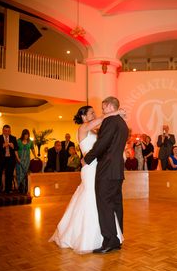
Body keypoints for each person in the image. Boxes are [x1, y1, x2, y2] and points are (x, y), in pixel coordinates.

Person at [49, 103, 125, 254]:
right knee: (93, 199)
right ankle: (92, 237)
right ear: (83, 116)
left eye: (94, 113)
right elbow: (103, 118)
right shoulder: (82, 128)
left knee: (101, 201)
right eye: (91, 113)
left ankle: (107, 237)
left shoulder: (95, 131)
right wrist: (116, 112)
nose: (94, 115)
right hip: (90, 169)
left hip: (100, 168)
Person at [83, 96, 129, 254]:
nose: (102, 111)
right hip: (117, 170)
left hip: (107, 170)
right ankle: (118, 238)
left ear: (110, 106)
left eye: (103, 108)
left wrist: (86, 159)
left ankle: (110, 241)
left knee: (104, 205)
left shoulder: (110, 122)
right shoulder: (122, 123)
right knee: (116, 205)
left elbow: (101, 144)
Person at [0, 124, 19, 195]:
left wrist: (13, 146)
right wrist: (3, 145)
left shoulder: (13, 138)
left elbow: (16, 148)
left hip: (10, 160)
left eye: (8, 131)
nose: (7, 132)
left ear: (10, 131)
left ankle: (8, 190)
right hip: (1, 159)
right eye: (5, 131)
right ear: (3, 131)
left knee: (9, 175)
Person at [16, 129, 36, 194]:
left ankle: (25, 189)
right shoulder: (18, 141)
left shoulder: (30, 142)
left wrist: (35, 156)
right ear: (23, 135)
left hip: (27, 160)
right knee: (19, 173)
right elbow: (15, 150)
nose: (26, 136)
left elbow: (32, 149)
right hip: (19, 160)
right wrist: (17, 158)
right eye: (25, 135)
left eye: (27, 135)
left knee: (25, 174)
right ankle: (20, 188)